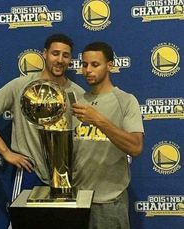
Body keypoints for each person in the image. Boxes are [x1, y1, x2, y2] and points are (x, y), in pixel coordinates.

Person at [0, 33, 84, 202]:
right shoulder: (21, 85)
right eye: (55, 53)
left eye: (65, 55)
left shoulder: (76, 93)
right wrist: (6, 152)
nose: (60, 60)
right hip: (30, 172)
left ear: (70, 60)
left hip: (65, 176)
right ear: (44, 54)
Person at [72, 42, 144, 229]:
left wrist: (99, 120)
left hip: (109, 201)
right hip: (77, 199)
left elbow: (135, 147)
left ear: (110, 65)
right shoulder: (77, 102)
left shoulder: (126, 101)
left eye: (95, 65)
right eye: (85, 65)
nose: (88, 70)